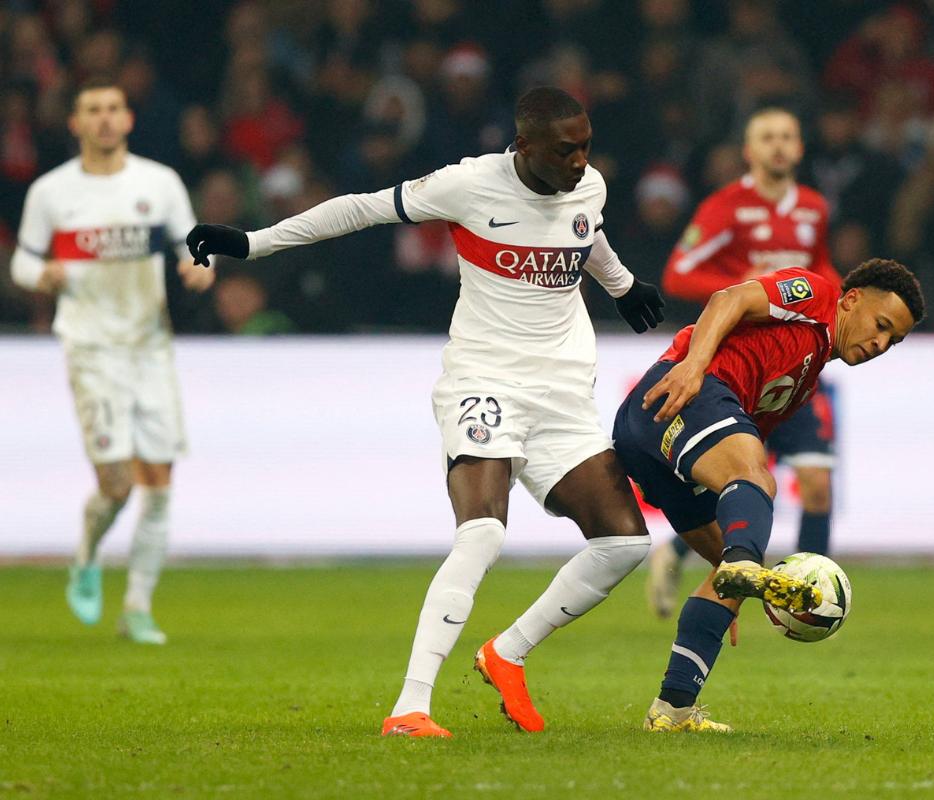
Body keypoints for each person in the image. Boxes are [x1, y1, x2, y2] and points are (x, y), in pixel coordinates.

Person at [186, 87, 666, 737]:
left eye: (585, 144)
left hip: (563, 392)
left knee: (623, 543)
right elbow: (362, 210)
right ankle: (411, 706)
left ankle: (507, 652)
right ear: (524, 147)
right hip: (485, 381)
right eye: (565, 149)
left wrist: (623, 285)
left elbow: (589, 233)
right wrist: (253, 242)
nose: (581, 159)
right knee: (484, 533)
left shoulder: (589, 185)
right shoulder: (469, 184)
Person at [614, 258, 924, 732]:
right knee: (757, 484)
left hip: (649, 430)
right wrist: (694, 367)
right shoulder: (817, 296)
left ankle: (672, 711)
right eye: (882, 326)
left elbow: (732, 467)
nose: (880, 344)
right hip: (683, 390)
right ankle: (741, 569)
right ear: (853, 299)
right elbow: (728, 299)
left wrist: (731, 586)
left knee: (731, 572)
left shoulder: (803, 384)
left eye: (893, 341)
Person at [10, 77, 215, 644]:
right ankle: (86, 553)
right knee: (119, 485)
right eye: (92, 110)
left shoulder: (160, 183)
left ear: (127, 120)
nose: (104, 119)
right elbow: (22, 264)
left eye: (113, 109)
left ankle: (138, 607)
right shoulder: (52, 192)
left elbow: (192, 247)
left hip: (150, 345)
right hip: (92, 347)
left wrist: (201, 268)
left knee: (161, 482)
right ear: (75, 123)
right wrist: (43, 275)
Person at [649, 107, 841, 620]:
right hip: (741, 368)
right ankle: (674, 550)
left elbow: (820, 267)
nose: (778, 146)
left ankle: (814, 600)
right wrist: (746, 286)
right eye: (767, 138)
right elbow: (678, 274)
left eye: (787, 137)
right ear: (749, 151)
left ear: (799, 148)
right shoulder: (726, 206)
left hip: (798, 366)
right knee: (738, 480)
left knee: (818, 484)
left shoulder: (814, 208)